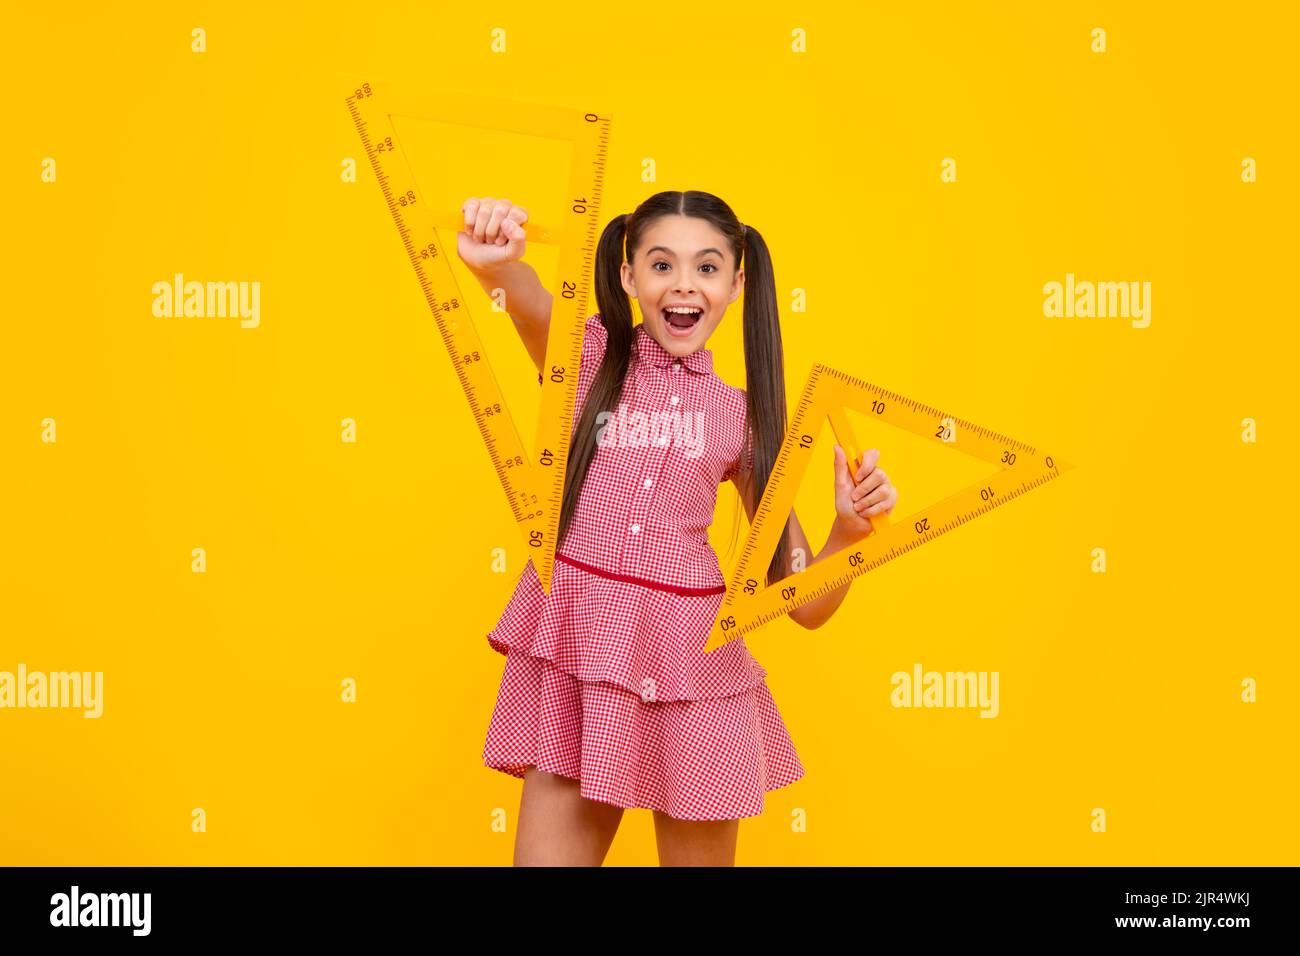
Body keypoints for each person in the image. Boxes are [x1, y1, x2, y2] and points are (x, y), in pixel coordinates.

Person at [457, 190, 897, 866]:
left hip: (698, 674)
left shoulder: (743, 418)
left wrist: (849, 532)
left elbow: (805, 602)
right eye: (661, 265)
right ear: (629, 276)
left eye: (708, 267)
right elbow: (525, 294)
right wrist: (496, 262)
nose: (684, 285)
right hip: (587, 661)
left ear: (737, 284)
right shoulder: (587, 355)